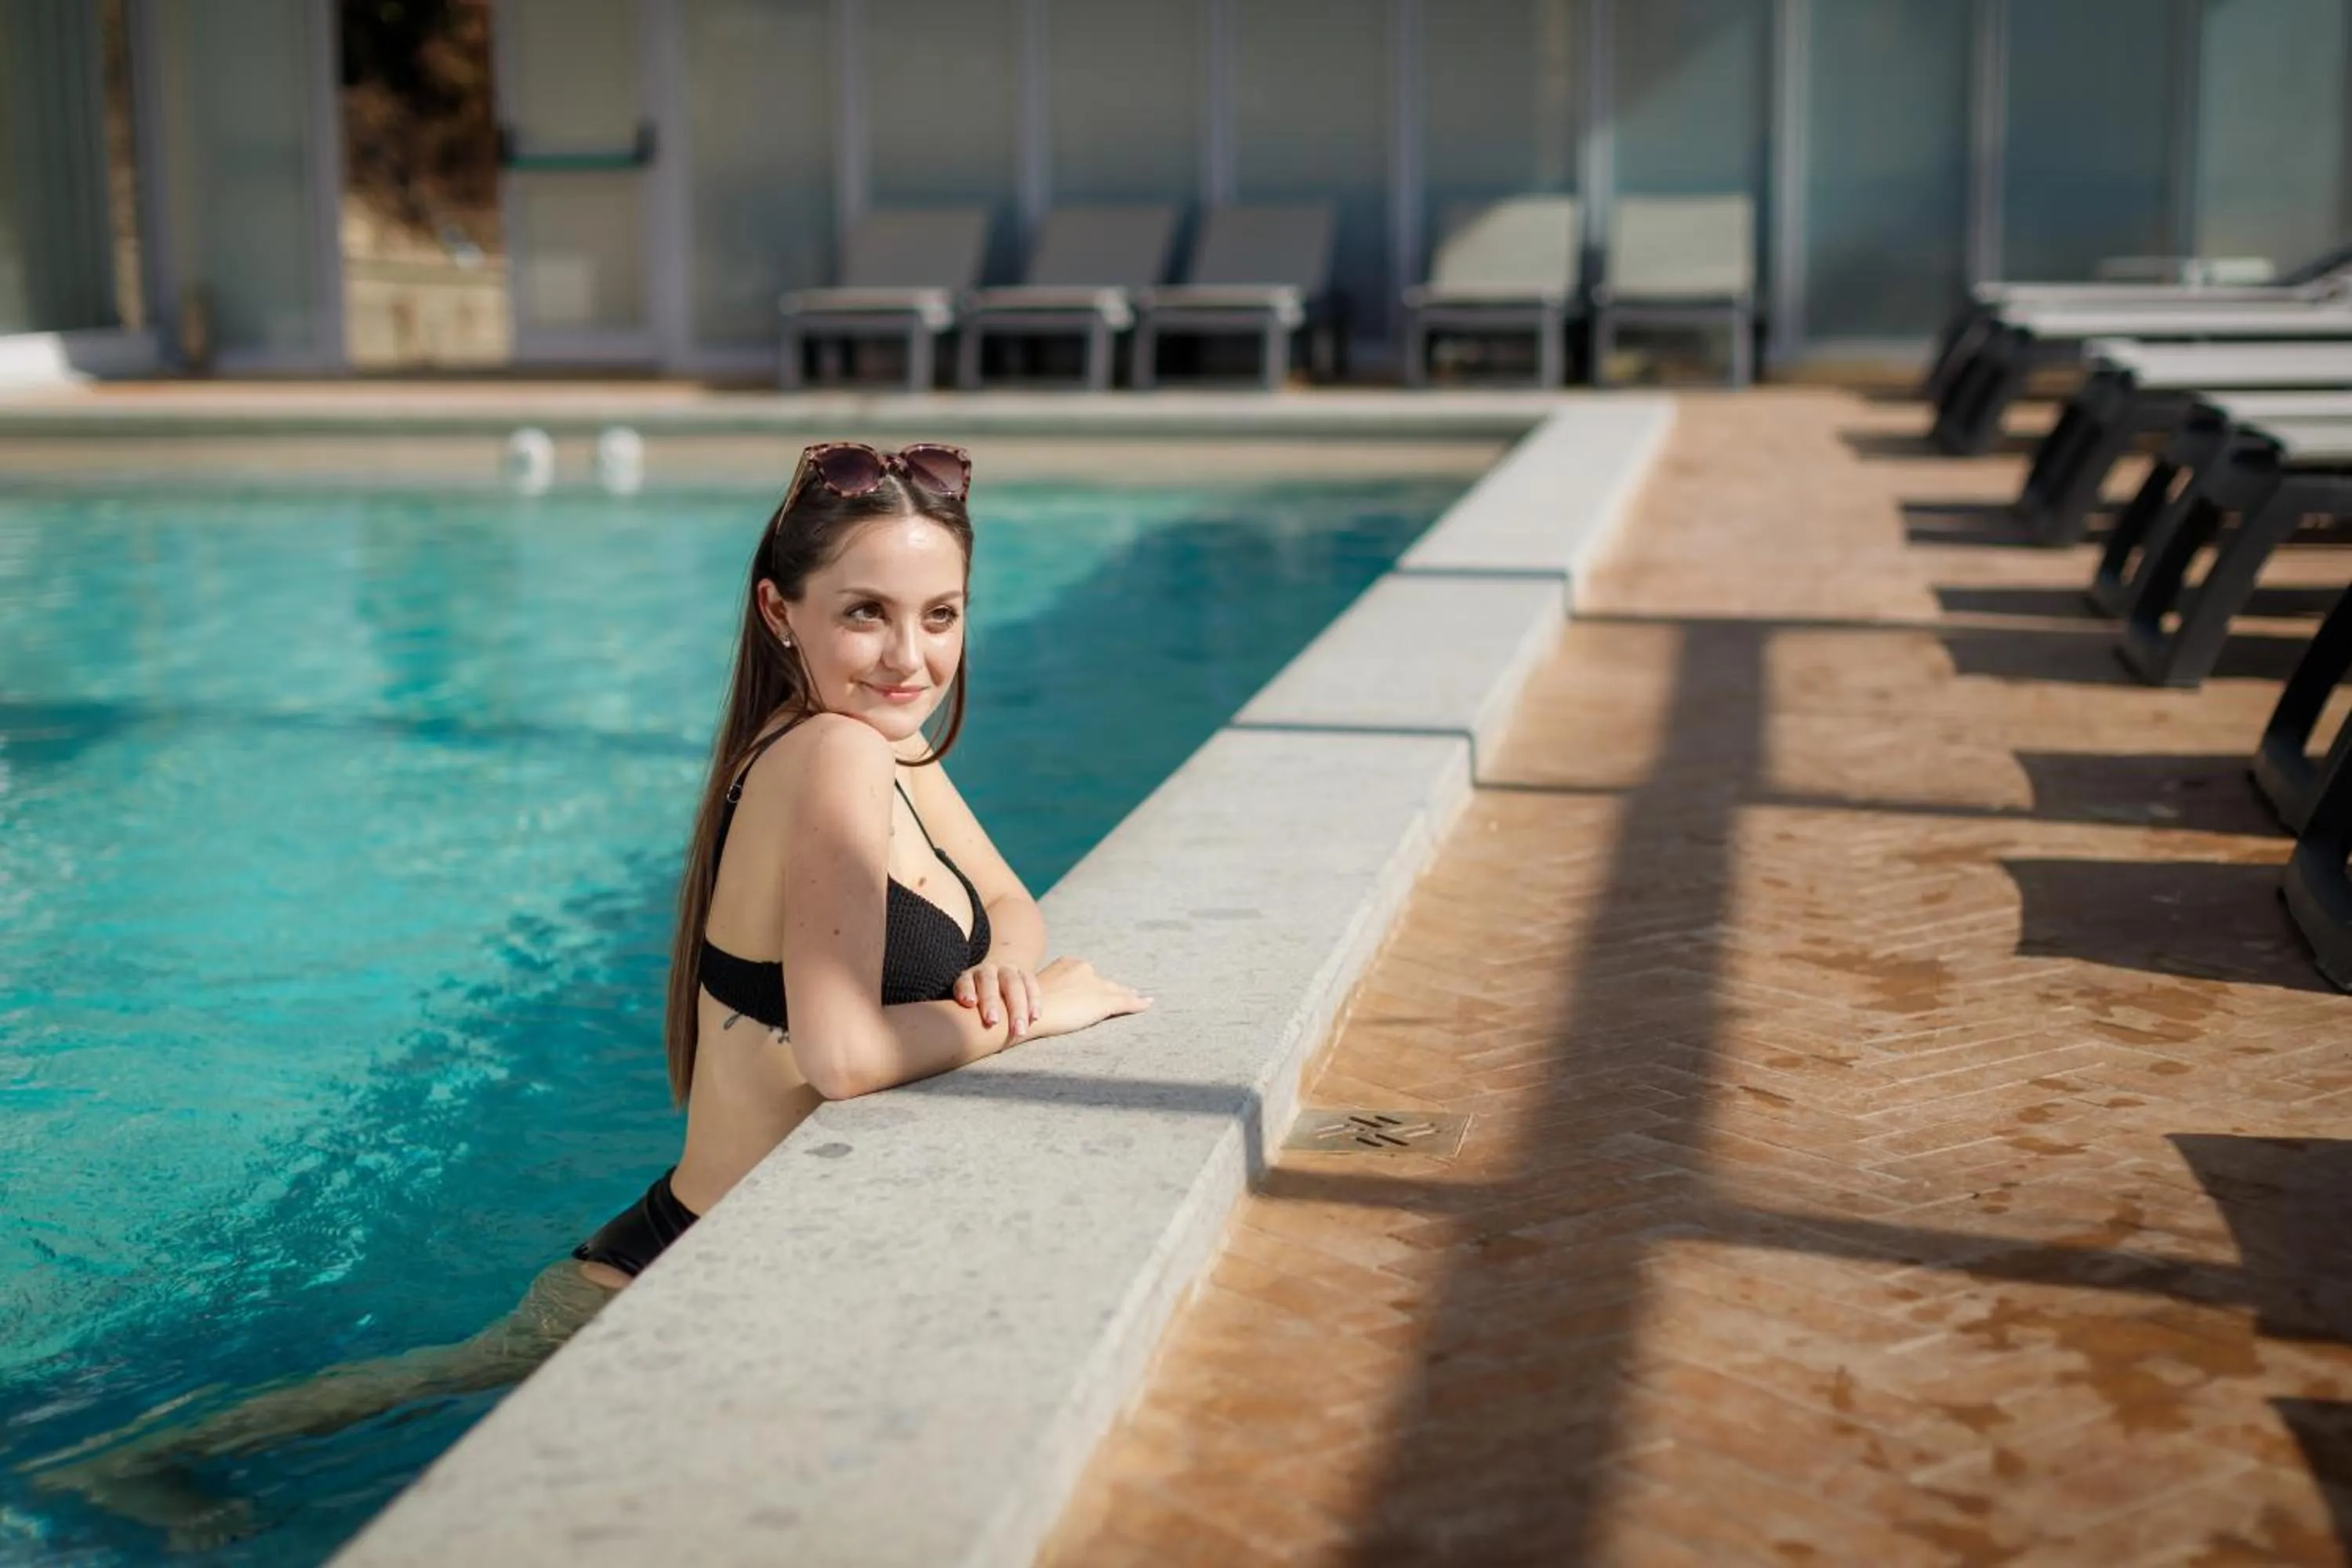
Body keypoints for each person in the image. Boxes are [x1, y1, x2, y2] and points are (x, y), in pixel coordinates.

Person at [28, 441, 1152, 1548]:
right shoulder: (835, 759)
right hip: (688, 1264)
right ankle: (121, 1457)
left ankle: (132, 1455)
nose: (911, 655)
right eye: (866, 612)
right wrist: (1031, 1013)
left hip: (702, 1235)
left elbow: (1009, 894)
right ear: (780, 611)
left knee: (448, 1379)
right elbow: (844, 1057)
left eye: (941, 615)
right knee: (443, 1389)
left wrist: (1008, 955)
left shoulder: (880, 738)